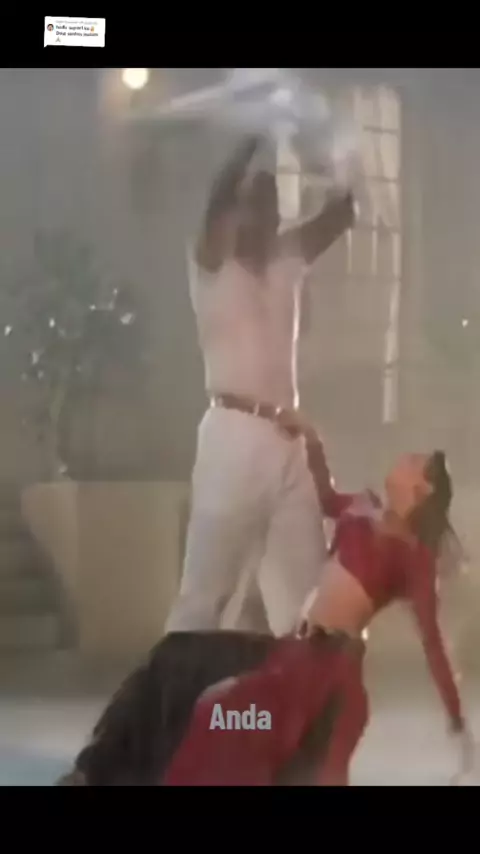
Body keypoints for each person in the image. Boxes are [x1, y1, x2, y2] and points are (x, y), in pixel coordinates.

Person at [166, 134, 355, 636]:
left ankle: (302, 684)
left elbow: (341, 213)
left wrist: (330, 159)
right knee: (204, 597)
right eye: (251, 203)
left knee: (309, 601)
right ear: (233, 213)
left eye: (270, 206)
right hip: (232, 437)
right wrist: (252, 137)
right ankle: (171, 683)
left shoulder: (286, 260)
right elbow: (217, 197)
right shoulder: (212, 263)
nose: (261, 216)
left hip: (289, 440)